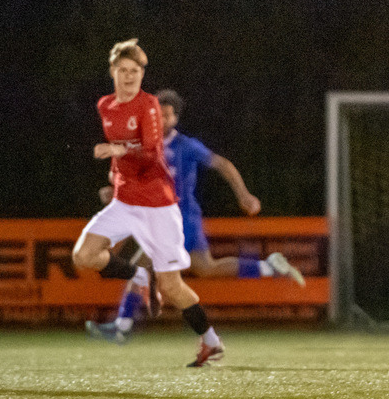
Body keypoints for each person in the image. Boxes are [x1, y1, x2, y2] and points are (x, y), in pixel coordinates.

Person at [86, 89, 305, 343]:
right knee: (206, 267)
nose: (161, 120)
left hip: (180, 221)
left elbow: (222, 164)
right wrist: (114, 192)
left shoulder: (185, 146)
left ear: (175, 119)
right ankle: (268, 266)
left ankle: (122, 327)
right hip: (169, 220)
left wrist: (243, 195)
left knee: (141, 267)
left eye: (167, 116)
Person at [72, 39, 223, 367]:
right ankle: (138, 276)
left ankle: (210, 341)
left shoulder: (149, 105)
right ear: (113, 72)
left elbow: (152, 153)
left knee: (171, 287)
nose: (129, 77)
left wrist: (118, 151)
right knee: (83, 255)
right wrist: (115, 175)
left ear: (142, 74)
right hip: (125, 202)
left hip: (158, 207)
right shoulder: (105, 106)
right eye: (123, 70)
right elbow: (122, 153)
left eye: (135, 71)